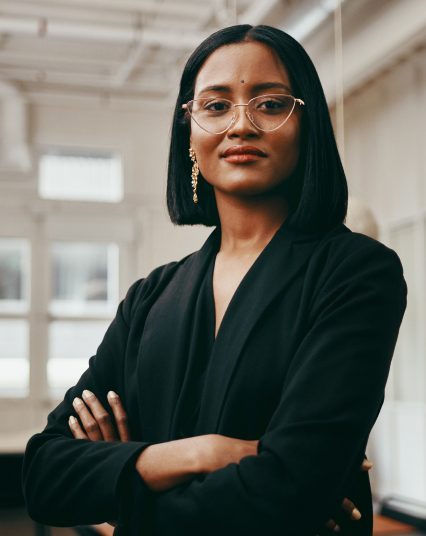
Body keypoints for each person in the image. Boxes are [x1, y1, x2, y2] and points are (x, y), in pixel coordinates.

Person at [22, 24, 407, 536]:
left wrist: (123, 492)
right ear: (189, 130)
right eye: (216, 105)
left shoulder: (357, 273)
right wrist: (200, 454)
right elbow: (45, 476)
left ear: (307, 125)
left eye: (270, 104)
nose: (241, 125)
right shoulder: (150, 297)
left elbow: (288, 491)